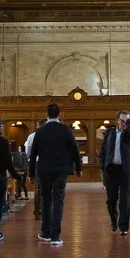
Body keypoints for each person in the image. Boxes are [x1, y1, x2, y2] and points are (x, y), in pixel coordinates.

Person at [26, 103, 80, 245]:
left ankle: (45, 232)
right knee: (58, 200)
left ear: (46, 115)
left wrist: (31, 172)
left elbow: (33, 154)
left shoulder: (40, 131)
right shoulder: (65, 129)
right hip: (61, 170)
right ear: (59, 115)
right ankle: (56, 236)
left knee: (46, 200)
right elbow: (74, 149)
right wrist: (78, 168)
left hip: (44, 169)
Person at [96, 111, 130, 234]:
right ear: (117, 121)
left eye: (127, 121)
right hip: (111, 169)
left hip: (125, 170)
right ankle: (113, 219)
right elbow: (103, 150)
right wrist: (102, 165)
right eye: (123, 120)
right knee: (111, 199)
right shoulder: (110, 132)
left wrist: (128, 121)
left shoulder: (128, 133)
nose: (125, 123)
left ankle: (124, 227)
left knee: (125, 198)